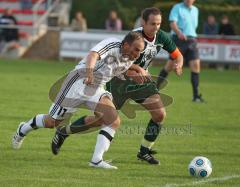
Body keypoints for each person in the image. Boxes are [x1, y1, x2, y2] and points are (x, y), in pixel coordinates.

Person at [51, 7, 183, 166]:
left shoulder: (162, 36)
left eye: (159, 24)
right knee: (102, 119)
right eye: (153, 23)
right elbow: (120, 61)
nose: (156, 27)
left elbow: (177, 54)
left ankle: (144, 151)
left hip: (141, 81)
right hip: (120, 80)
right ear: (143, 22)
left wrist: (178, 64)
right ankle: (64, 132)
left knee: (160, 114)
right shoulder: (135, 36)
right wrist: (135, 71)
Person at [12, 32, 145, 169]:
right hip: (78, 82)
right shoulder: (112, 44)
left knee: (112, 120)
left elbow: (118, 69)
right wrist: (89, 74)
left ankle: (96, 160)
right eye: (136, 49)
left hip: (96, 88)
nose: (138, 54)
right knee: (52, 122)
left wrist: (135, 72)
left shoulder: (130, 57)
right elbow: (93, 55)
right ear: (126, 45)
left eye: (140, 51)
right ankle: (23, 128)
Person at [157, 0, 204, 102]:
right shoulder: (177, 7)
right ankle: (154, 90)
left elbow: (193, 26)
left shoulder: (195, 10)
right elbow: (172, 23)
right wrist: (179, 33)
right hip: (179, 40)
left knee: (196, 66)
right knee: (169, 66)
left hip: (192, 40)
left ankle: (196, 96)